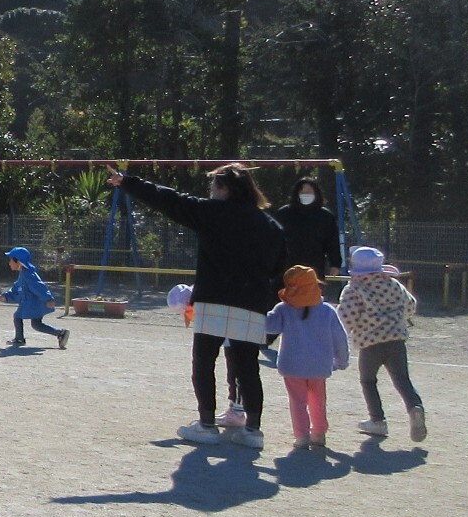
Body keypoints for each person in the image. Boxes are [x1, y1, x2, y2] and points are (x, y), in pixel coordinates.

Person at [111, 164, 287, 451]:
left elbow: (169, 199)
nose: (211, 192)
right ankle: (253, 431)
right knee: (248, 367)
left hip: (213, 299)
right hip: (251, 302)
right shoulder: (270, 224)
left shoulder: (211, 212)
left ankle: (206, 424)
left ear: (225, 189)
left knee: (204, 362)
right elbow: (279, 266)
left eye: (213, 187)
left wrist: (128, 182)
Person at [335, 246, 428, 443]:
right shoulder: (393, 284)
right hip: (396, 340)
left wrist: (337, 337)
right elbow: (410, 305)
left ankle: (377, 420)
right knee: (402, 380)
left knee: (368, 381)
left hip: (370, 343)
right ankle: (415, 407)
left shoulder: (354, 289)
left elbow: (345, 318)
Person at [264, 265, 350, 452]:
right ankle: (319, 433)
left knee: (297, 402)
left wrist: (261, 310)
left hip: (292, 366)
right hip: (319, 366)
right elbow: (340, 338)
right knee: (318, 400)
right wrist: (342, 361)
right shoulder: (327, 311)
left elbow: (269, 327)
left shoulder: (284, 309)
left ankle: (301, 436)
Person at [269, 177, 344, 280]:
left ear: (316, 193)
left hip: (314, 267)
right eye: (302, 191)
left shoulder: (325, 216)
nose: (305, 194)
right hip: (286, 268)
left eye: (309, 191)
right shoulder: (283, 214)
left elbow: (332, 242)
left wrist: (335, 264)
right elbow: (273, 240)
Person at [1, 246, 68, 349]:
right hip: (36, 303)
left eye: (11, 260)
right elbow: (17, 288)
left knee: (17, 316)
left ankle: (19, 339)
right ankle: (60, 333)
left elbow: (39, 287)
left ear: (18, 261)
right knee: (36, 324)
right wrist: (7, 296)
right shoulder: (24, 274)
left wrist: (48, 299)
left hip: (33, 303)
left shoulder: (28, 275)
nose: (9, 263)